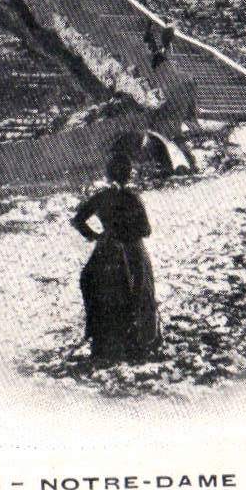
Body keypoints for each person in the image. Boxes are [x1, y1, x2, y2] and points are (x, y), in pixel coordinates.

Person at [72, 151, 161, 365]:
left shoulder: (102, 197)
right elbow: (146, 230)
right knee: (140, 292)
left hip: (107, 250)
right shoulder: (132, 198)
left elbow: (78, 220)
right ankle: (141, 339)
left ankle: (101, 339)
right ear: (129, 175)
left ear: (109, 174)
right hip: (132, 251)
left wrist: (96, 236)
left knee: (93, 285)